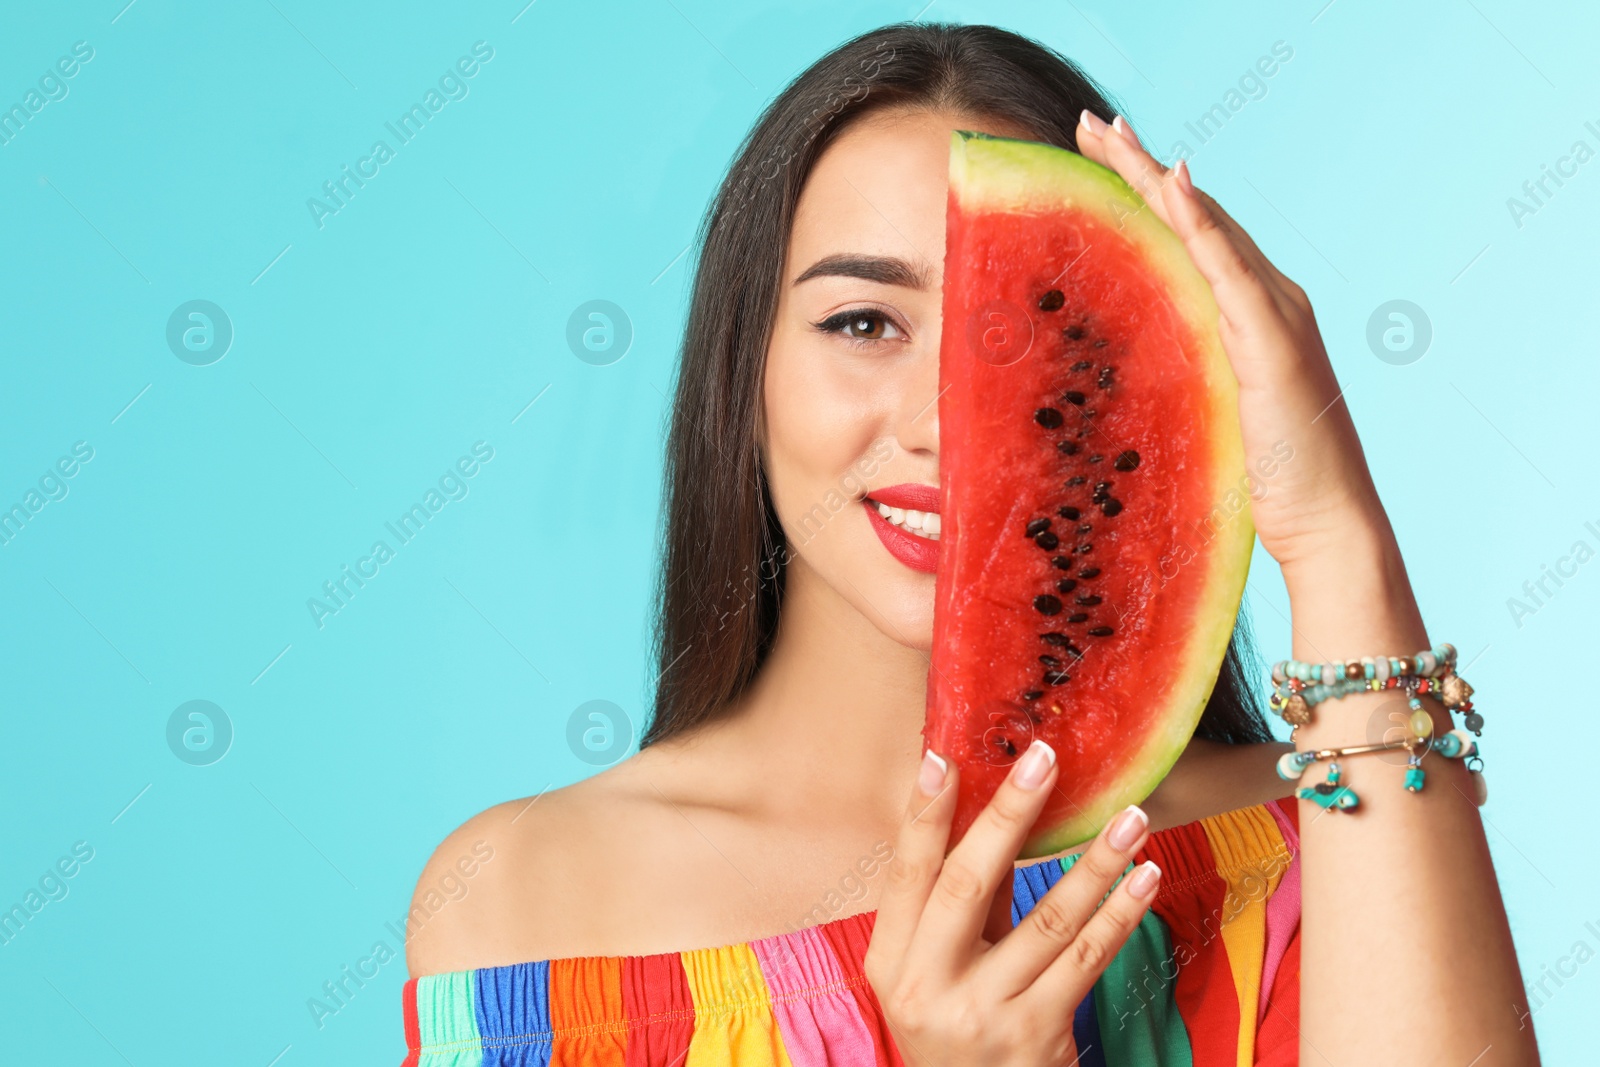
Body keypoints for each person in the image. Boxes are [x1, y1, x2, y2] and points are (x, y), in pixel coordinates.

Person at [400, 22, 1536, 1066]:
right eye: (863, 323)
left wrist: (1338, 533)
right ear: (741, 373)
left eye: (1049, 341)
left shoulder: (1321, 841)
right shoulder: (521, 901)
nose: (951, 423)